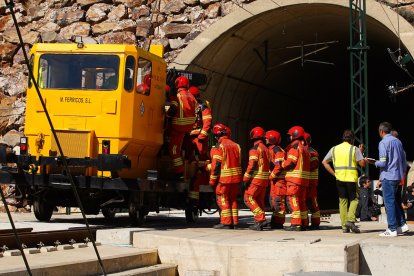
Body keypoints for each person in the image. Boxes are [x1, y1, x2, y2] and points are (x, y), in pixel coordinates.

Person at [366, 122, 409, 237]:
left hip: (388, 175)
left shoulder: (383, 143)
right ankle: (401, 225)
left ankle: (392, 229)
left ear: (381, 131)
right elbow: (403, 162)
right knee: (394, 201)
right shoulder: (398, 142)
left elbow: (383, 162)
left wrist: (374, 162)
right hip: (398, 176)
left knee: (389, 203)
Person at [322, 129, 365, 233]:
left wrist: (334, 173)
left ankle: (344, 226)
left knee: (343, 201)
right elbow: (362, 164)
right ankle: (350, 220)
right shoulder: (354, 149)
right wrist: (361, 152)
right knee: (354, 200)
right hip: (351, 178)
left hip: (339, 179)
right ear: (352, 139)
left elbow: (324, 162)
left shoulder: (334, 149)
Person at [208, 123, 242, 229]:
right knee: (233, 200)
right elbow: (239, 162)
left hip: (224, 179)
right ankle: (235, 222)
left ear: (217, 135)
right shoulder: (237, 145)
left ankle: (226, 222)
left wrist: (212, 180)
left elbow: (216, 165)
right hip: (236, 179)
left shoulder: (219, 146)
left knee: (223, 199)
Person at [166, 76, 197, 178]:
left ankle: (179, 172)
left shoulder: (177, 95)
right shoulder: (192, 96)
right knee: (179, 147)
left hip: (178, 125)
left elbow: (173, 109)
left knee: (174, 150)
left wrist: (167, 115)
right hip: (188, 126)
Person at [282, 126, 310, 231]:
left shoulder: (294, 147)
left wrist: (282, 164)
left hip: (294, 180)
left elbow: (290, 163)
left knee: (293, 201)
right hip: (303, 181)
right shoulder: (304, 148)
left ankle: (296, 224)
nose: (289, 137)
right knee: (302, 202)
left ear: (294, 135)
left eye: (290, 135)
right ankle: (304, 223)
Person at [243, 126, 270, 231]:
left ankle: (260, 220)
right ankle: (260, 223)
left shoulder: (255, 149)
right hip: (264, 180)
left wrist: (245, 178)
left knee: (248, 198)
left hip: (256, 179)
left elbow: (252, 165)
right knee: (259, 201)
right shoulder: (266, 148)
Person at [267, 130, 287, 229]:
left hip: (279, 180)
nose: (265, 139)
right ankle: (274, 221)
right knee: (274, 200)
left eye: (267, 138)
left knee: (279, 201)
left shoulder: (277, 150)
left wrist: (271, 176)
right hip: (275, 180)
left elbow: (279, 166)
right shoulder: (271, 149)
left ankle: (279, 222)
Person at [188, 86, 212, 161]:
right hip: (188, 137)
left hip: (198, 137)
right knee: (188, 158)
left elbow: (207, 123)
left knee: (200, 158)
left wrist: (201, 137)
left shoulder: (203, 107)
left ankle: (202, 172)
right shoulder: (188, 105)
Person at [304, 132, 321, 230]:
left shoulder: (312, 151)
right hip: (306, 181)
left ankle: (315, 223)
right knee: (304, 203)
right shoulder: (306, 150)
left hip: (310, 182)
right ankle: (305, 222)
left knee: (312, 202)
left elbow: (314, 164)